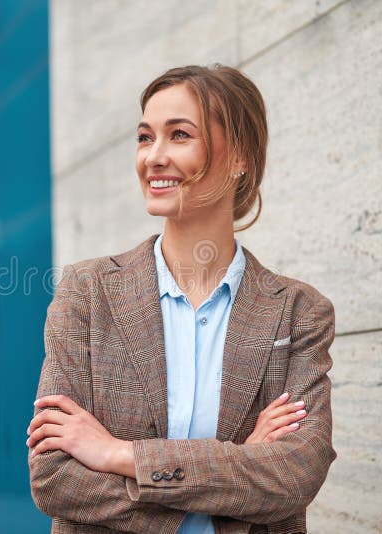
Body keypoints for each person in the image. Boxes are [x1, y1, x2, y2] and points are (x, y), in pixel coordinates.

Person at [27, 64, 336, 534]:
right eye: (145, 136)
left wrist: (118, 454)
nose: (153, 156)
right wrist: (241, 466)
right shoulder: (86, 294)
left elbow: (295, 476)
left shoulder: (298, 312)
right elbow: (56, 480)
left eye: (179, 135)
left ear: (241, 157)